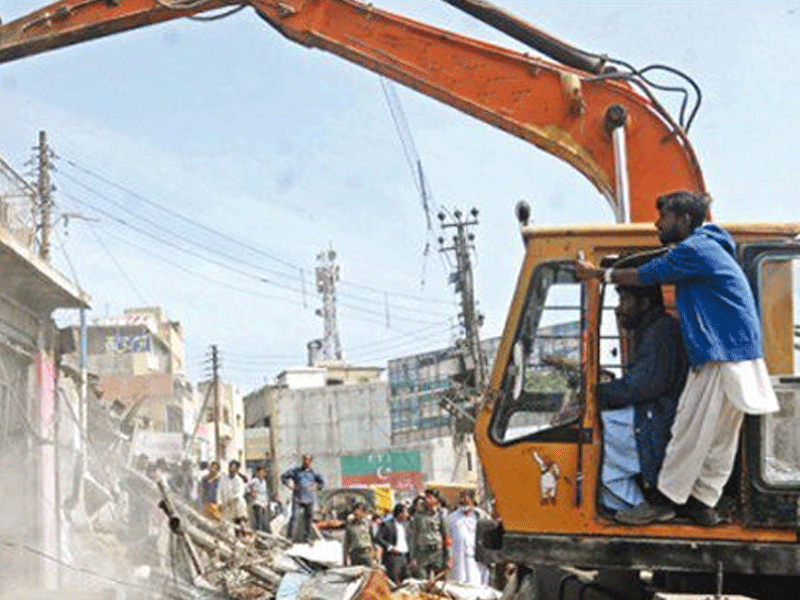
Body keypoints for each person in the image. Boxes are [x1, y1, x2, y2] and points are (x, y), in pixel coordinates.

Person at [578, 190, 780, 526]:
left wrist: (600, 275)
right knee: (717, 438)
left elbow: (648, 274)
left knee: (688, 429)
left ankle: (664, 501)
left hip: (720, 353)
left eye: (664, 217)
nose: (658, 224)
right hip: (740, 354)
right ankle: (702, 502)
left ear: (685, 219)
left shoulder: (696, 250)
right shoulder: (713, 249)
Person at [596, 284, 688, 516]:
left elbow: (642, 386)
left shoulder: (661, 331)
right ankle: (630, 503)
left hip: (660, 416)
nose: (618, 309)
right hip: (656, 410)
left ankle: (638, 504)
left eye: (624, 300)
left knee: (598, 427)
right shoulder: (654, 329)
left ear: (645, 303)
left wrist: (597, 393)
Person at [281, 453, 325, 543]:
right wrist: (290, 485)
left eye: (308, 460)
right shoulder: (296, 471)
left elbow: (322, 482)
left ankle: (307, 538)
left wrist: (317, 487)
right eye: (304, 459)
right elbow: (283, 477)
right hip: (298, 497)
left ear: (310, 461)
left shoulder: (314, 473)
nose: (306, 462)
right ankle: (290, 538)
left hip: (309, 498)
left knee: (308, 519)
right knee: (294, 517)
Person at [448, 489, 489, 585]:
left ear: (472, 501)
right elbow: (448, 537)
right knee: (458, 583)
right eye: (462, 501)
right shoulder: (452, 517)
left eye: (467, 501)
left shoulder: (480, 516)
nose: (464, 504)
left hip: (475, 557)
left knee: (475, 582)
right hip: (458, 557)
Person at [408, 489, 451, 579]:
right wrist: (413, 557)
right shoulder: (418, 515)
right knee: (422, 582)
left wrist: (449, 558)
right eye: (426, 497)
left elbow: (447, 537)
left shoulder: (441, 514)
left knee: (439, 583)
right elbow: (414, 537)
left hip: (438, 553)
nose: (427, 499)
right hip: (422, 554)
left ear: (436, 500)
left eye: (430, 497)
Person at [376, 503, 411, 584]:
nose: (407, 515)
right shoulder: (387, 525)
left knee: (407, 581)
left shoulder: (406, 525)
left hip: (405, 557)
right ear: (400, 514)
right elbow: (378, 538)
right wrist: (390, 547)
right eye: (405, 512)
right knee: (394, 582)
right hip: (393, 558)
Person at [343, 502, 375, 566]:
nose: (356, 512)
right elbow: (346, 542)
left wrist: (374, 557)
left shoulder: (368, 524)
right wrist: (345, 559)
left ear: (364, 513)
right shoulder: (350, 525)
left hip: (366, 553)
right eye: (355, 510)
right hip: (355, 554)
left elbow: (372, 540)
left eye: (359, 510)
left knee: (367, 573)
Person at [219, 459, 249, 529]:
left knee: (241, 501)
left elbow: (240, 492)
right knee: (227, 526)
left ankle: (242, 521)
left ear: (237, 469)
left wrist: (232, 499)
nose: (232, 469)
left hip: (235, 504)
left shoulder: (239, 480)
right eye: (231, 467)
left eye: (234, 468)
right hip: (225, 504)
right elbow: (219, 491)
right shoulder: (223, 479)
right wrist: (220, 502)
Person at [248, 465, 270, 532]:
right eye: (260, 472)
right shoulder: (254, 481)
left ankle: (263, 533)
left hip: (264, 503)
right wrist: (252, 491)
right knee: (258, 519)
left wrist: (265, 503)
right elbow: (248, 487)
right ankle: (258, 533)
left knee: (264, 520)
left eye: (263, 472)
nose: (262, 474)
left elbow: (265, 493)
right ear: (257, 473)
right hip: (257, 502)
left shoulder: (264, 482)